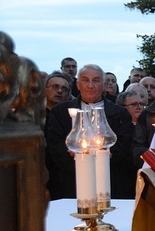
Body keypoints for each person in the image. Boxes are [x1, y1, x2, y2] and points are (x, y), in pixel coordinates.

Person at [45, 64, 134, 200]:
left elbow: (125, 145)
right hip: (70, 183)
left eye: (96, 80)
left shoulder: (120, 114)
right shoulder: (60, 112)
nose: (90, 85)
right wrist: (79, 160)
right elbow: (55, 146)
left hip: (111, 181)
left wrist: (104, 156)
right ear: (78, 84)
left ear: (104, 85)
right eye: (86, 80)